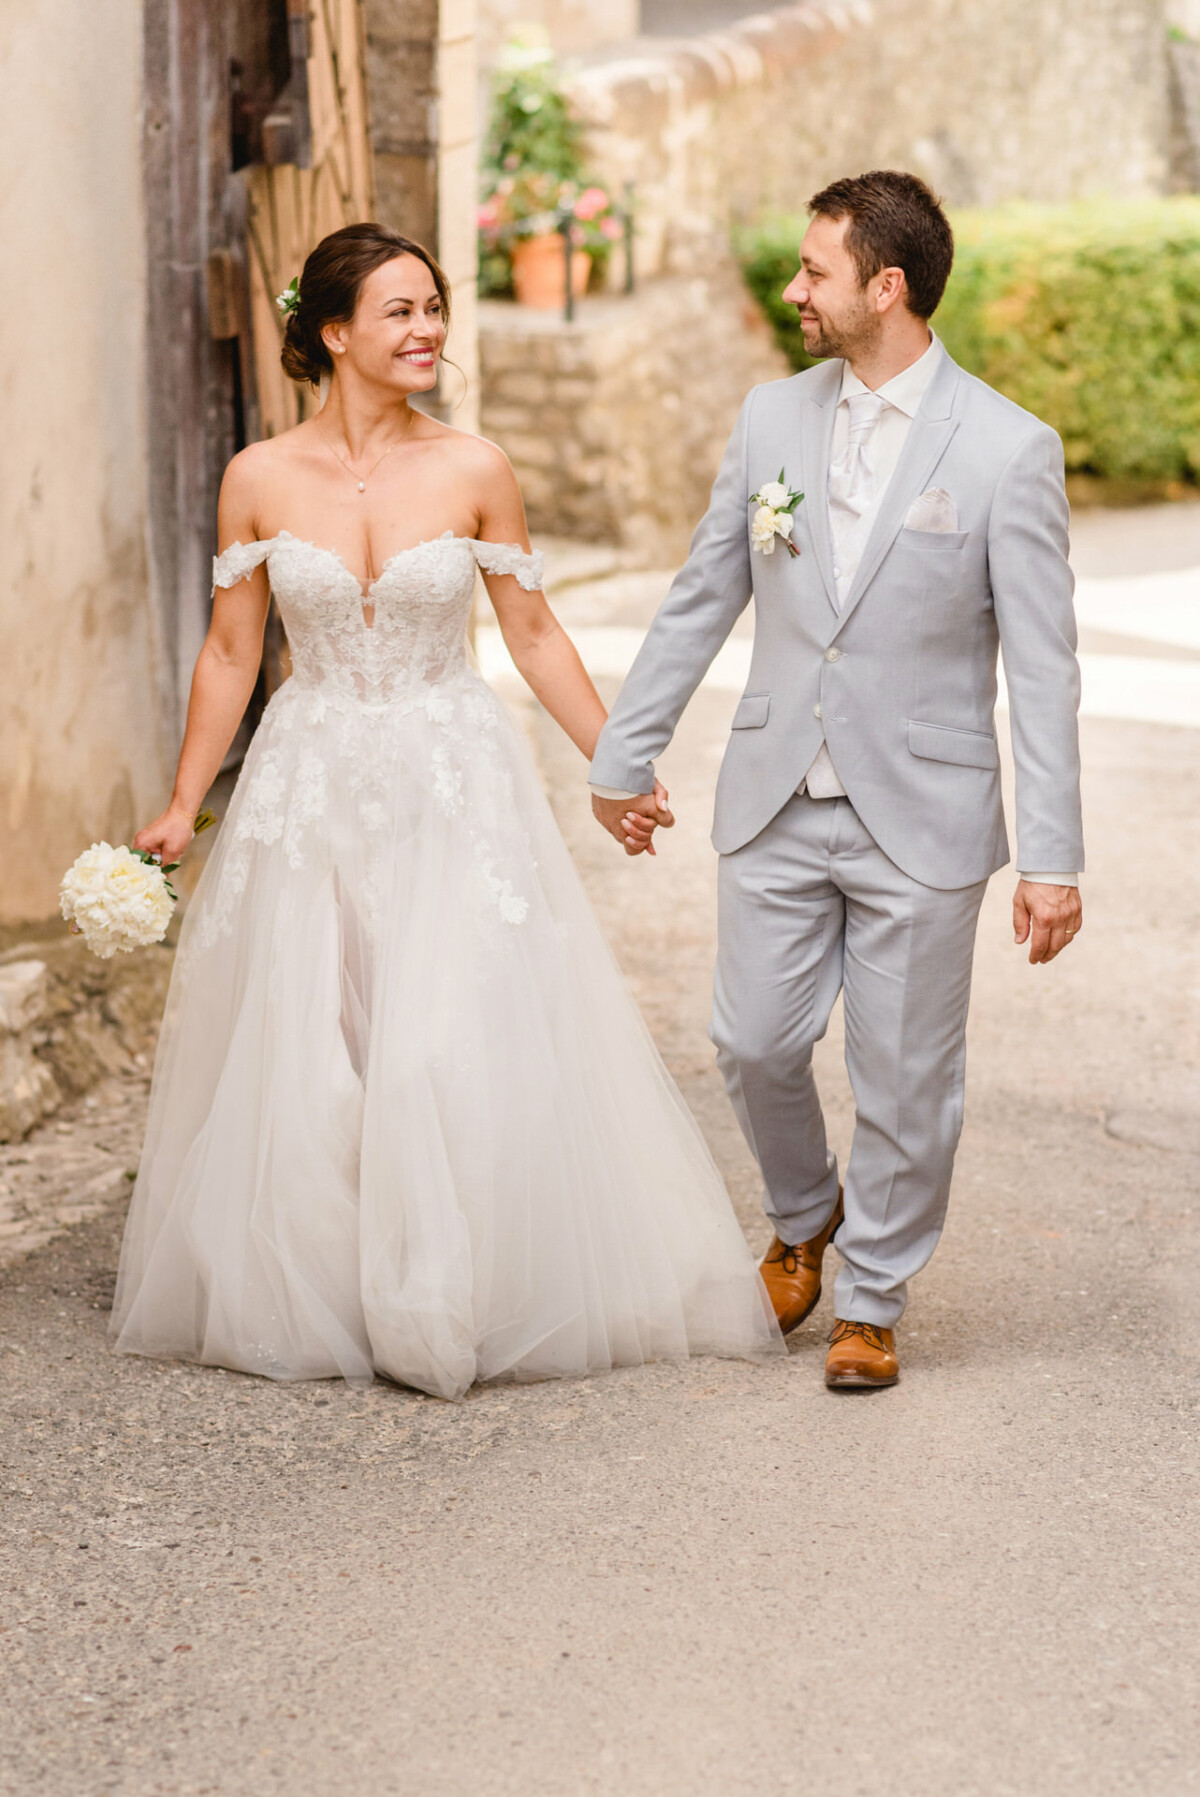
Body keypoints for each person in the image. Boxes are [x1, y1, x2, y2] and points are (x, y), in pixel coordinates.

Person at [110, 222, 781, 1400]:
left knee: (440, 1035)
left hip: (449, 774)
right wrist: (178, 804)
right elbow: (231, 652)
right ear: (333, 333)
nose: (427, 332)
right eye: (400, 312)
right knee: (316, 1045)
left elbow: (531, 632)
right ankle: (322, 1289)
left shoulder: (475, 467)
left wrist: (614, 762)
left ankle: (447, 1291)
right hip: (311, 776)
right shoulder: (258, 476)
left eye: (435, 308)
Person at [589, 171, 1084, 1390]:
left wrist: (1055, 856)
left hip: (924, 816)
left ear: (887, 287)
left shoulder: (1012, 450)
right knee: (750, 1041)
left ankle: (868, 1298)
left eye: (817, 271)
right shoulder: (770, 421)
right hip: (775, 795)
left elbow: (1048, 666)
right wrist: (623, 747)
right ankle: (806, 1212)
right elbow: (707, 590)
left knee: (908, 1078)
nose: (795, 288)